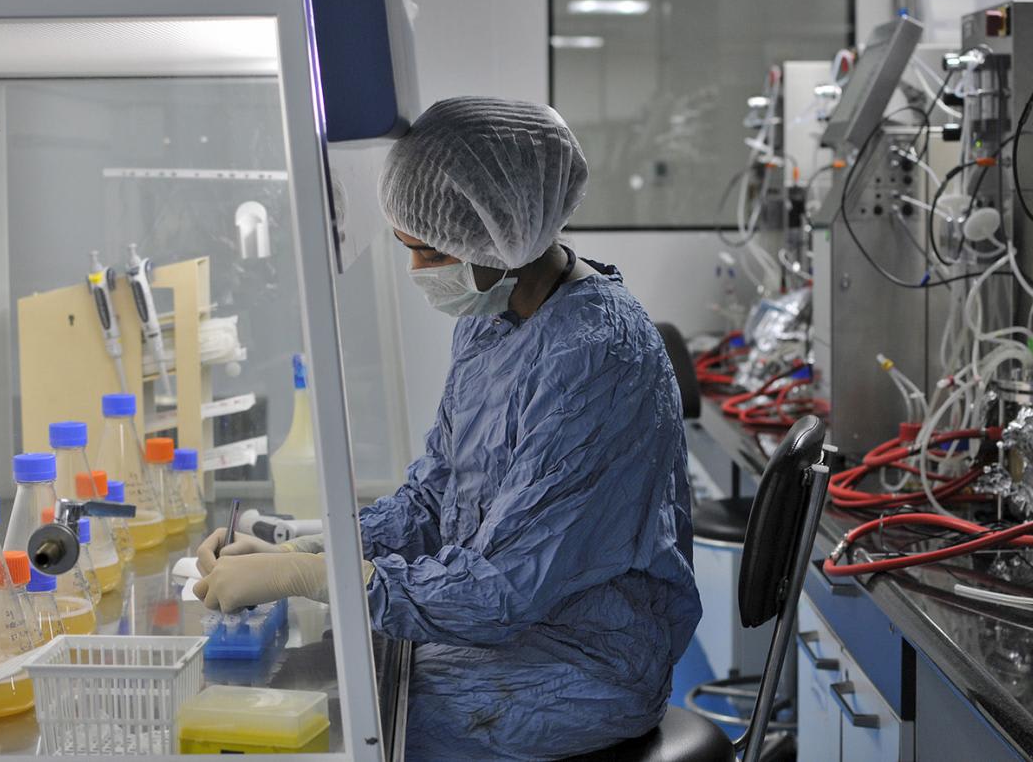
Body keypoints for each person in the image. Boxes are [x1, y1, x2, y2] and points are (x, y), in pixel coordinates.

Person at [194, 97, 701, 761]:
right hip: (511, 632)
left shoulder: (593, 355)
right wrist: (303, 541)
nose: (417, 272)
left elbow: (503, 590)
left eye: (429, 251)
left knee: (344, 724)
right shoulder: (490, 320)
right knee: (330, 683)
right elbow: (433, 497)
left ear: (504, 234)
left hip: (587, 665)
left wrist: (316, 576)